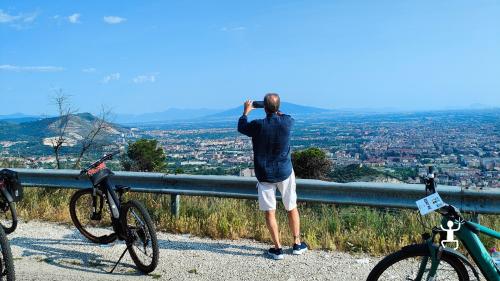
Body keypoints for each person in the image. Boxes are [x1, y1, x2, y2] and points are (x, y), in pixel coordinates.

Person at [237, 93, 308, 260]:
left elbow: (241, 127)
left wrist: (246, 111)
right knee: (291, 207)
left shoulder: (257, 125)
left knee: (270, 212)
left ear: (265, 108)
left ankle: (277, 249)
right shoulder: (287, 122)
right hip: (285, 172)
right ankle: (297, 244)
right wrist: (272, 108)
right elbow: (284, 114)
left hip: (264, 174)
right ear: (278, 107)